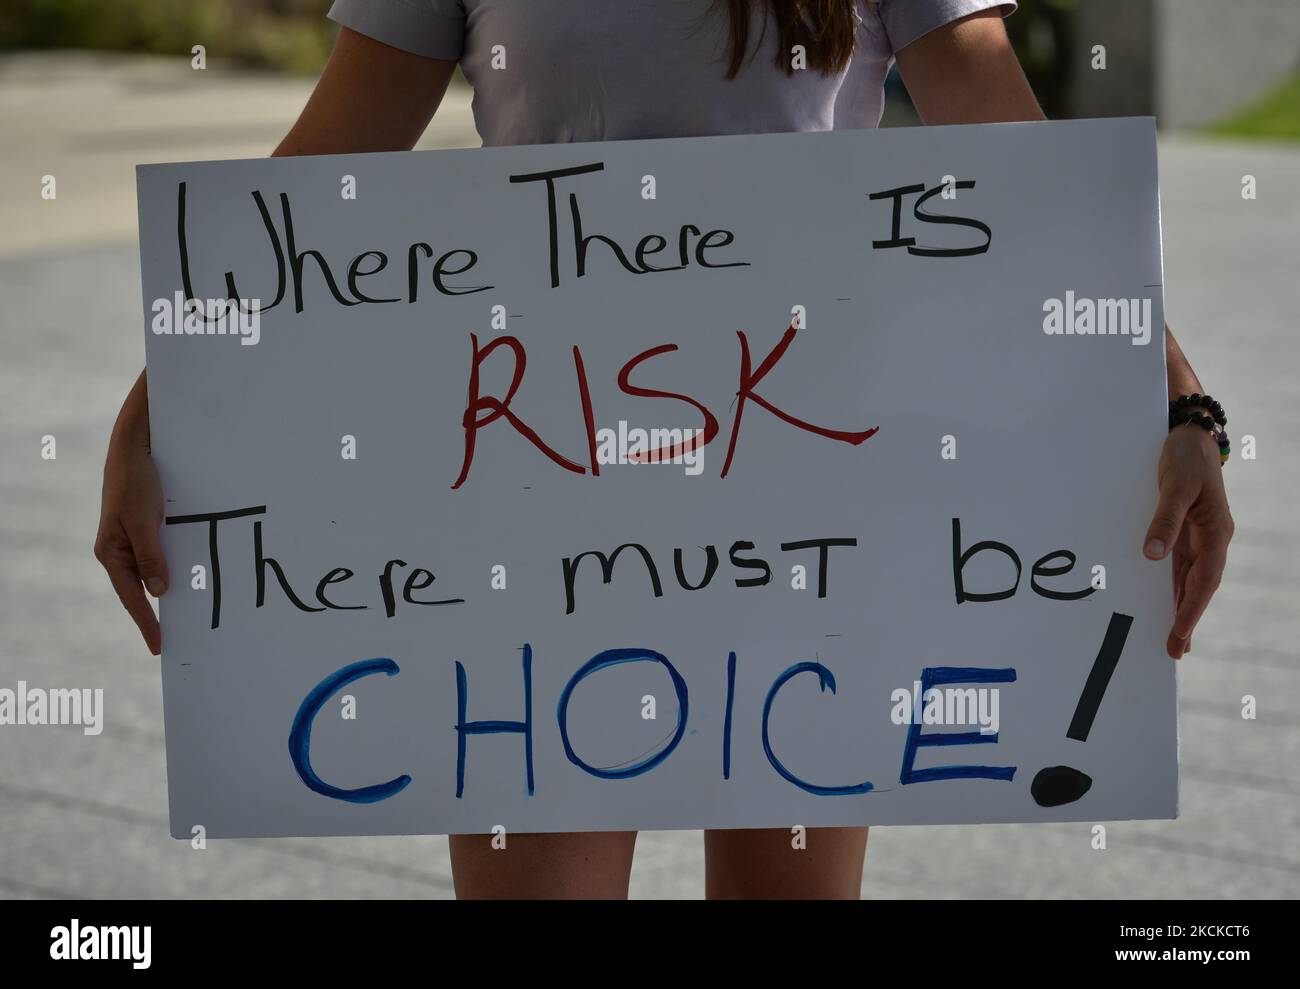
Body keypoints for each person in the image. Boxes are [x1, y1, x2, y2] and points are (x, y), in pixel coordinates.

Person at [95, 0, 1235, 899]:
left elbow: (1021, 165)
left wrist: (1182, 403)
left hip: (809, 502)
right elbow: (325, 167)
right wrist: (162, 405)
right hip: (535, 504)